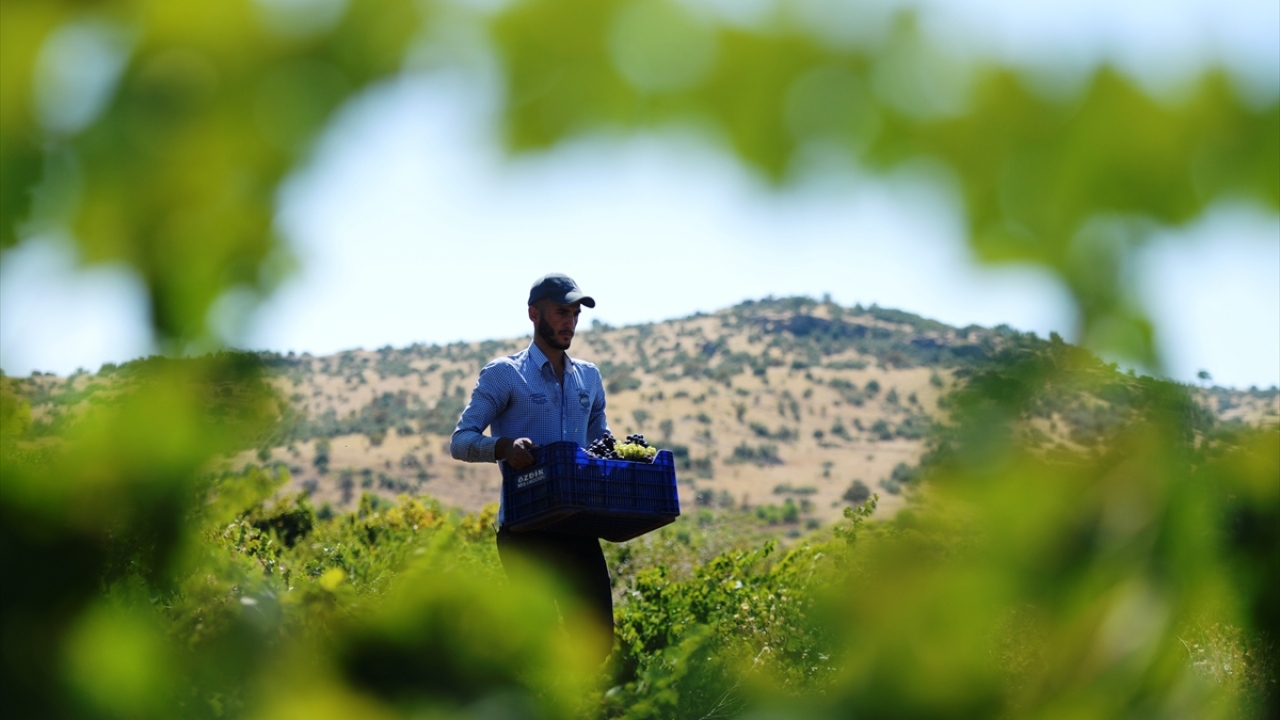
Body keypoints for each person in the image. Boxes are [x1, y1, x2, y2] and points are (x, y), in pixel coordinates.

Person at [450, 272, 615, 664]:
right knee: (541, 647)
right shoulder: (504, 374)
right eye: (561, 312)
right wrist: (503, 447)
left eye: (575, 314)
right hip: (526, 530)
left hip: (578, 525)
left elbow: (601, 443)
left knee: (596, 643)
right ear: (533, 314)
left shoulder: (588, 377)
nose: (570, 322)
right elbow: (461, 441)